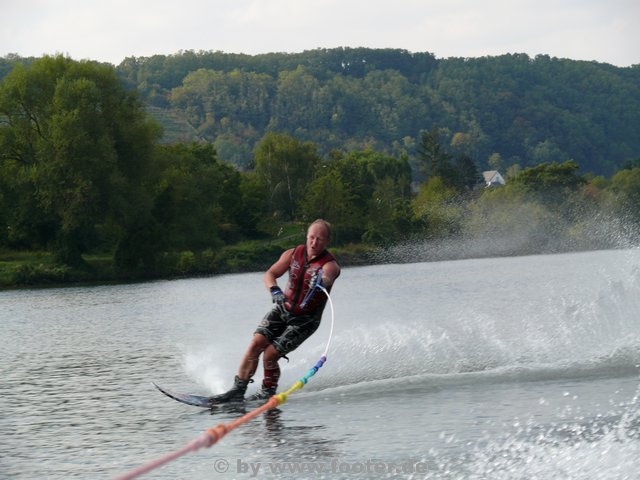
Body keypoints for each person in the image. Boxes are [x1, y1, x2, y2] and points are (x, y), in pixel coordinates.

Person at [210, 219, 341, 404]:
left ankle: (267, 392)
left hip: (305, 320)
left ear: (327, 241)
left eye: (319, 239)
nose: (314, 243)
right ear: (306, 236)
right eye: (311, 237)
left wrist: (321, 281)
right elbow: (270, 274)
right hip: (283, 308)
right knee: (256, 343)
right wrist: (274, 289)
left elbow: (328, 276)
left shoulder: (330, 265)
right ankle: (237, 390)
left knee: (270, 354)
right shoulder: (292, 254)